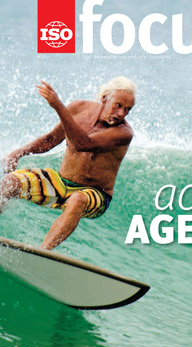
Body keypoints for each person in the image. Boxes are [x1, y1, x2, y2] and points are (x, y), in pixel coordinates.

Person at [0, 76, 136, 250]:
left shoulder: (124, 133)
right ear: (104, 98)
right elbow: (49, 140)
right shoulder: (77, 109)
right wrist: (17, 153)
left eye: (127, 110)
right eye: (118, 105)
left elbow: (83, 144)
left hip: (96, 195)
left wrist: (57, 105)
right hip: (61, 183)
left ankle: (43, 253)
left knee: (78, 198)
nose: (121, 114)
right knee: (10, 181)